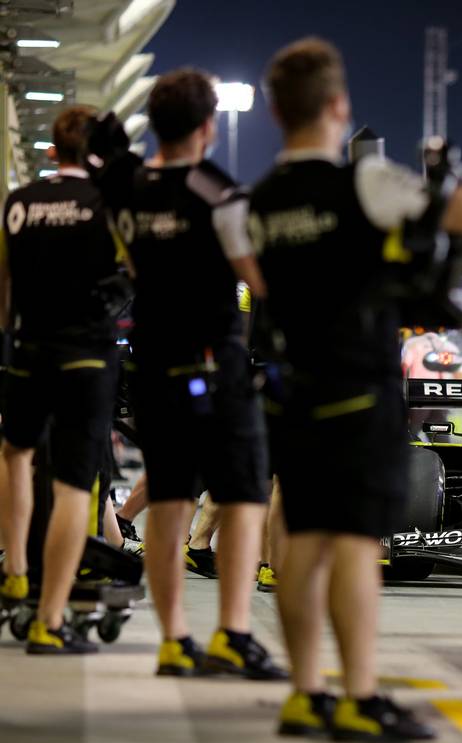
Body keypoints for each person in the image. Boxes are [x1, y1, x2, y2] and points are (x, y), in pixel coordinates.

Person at [251, 37, 462, 741]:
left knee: (302, 537)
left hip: (291, 385)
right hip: (359, 386)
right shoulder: (362, 183)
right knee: (358, 542)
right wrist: (444, 189)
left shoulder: (259, 201)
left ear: (273, 110)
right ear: (339, 105)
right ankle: (360, 693)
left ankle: (305, 691)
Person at [87, 69, 284, 679]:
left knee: (168, 498)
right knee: (247, 488)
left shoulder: (129, 187)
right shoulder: (219, 192)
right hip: (214, 363)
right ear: (207, 128)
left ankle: (175, 639)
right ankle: (232, 633)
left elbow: (113, 182)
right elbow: (259, 281)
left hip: (151, 363)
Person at [0, 106, 126, 653]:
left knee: (16, 456)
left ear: (53, 149)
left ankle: (16, 572)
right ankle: (51, 618)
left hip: (27, 352)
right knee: (76, 484)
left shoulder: (19, 203)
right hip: (86, 358)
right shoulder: (107, 205)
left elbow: (3, 292)